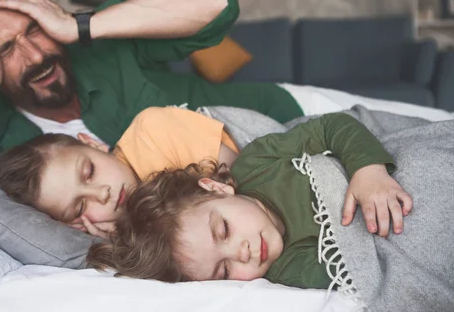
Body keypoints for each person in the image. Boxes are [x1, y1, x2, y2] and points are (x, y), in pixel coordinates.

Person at [0, 0, 449, 210]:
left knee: (435, 142)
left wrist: (77, 23)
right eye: (5, 50)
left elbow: (218, 2)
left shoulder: (98, 42)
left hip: (295, 114)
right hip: (259, 186)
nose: (37, 54)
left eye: (34, 30)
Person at [86, 112, 413, 289]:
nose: (242, 253)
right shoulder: (286, 269)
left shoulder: (256, 163)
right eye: (224, 270)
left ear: (216, 188)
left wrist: (368, 170)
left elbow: (332, 127)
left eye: (224, 230)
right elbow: (357, 271)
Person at [0, 106, 240, 239]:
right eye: (79, 208)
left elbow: (245, 182)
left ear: (93, 144)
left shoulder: (153, 132)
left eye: (89, 172)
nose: (102, 194)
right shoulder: (128, 233)